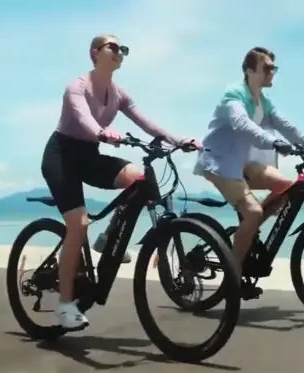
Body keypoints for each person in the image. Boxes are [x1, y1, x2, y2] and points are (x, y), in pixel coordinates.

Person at [41, 33, 199, 330]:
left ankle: (108, 237)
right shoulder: (77, 86)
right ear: (94, 53)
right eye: (113, 47)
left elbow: (145, 121)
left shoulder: (119, 93)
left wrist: (179, 140)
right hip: (61, 156)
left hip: (88, 155)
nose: (120, 52)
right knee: (79, 224)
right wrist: (102, 132)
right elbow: (83, 118)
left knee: (138, 179)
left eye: (123, 49)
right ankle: (64, 305)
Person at [193, 46, 304, 299]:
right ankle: (232, 277)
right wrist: (272, 141)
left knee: (289, 189)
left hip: (245, 162)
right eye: (267, 67)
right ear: (249, 70)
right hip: (221, 163)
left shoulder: (264, 103)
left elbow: (287, 126)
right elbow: (241, 123)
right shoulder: (233, 95)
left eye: (273, 68)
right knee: (254, 212)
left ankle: (249, 230)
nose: (272, 72)